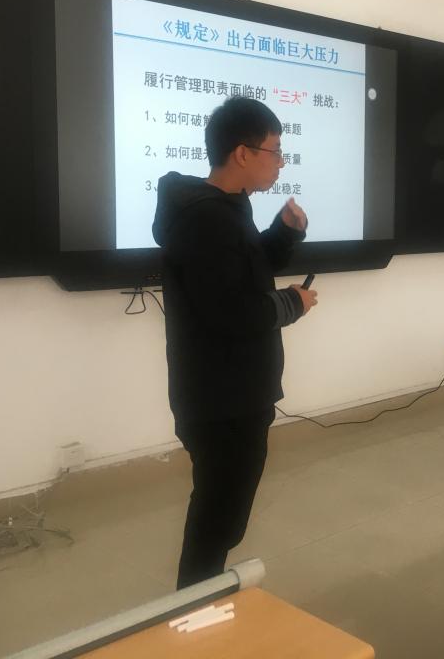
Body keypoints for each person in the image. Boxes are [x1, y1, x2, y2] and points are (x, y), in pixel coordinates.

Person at [152, 96, 318, 589]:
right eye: (275, 150)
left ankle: (201, 598)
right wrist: (293, 302)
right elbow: (232, 311)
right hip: (222, 400)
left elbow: (244, 270)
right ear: (242, 153)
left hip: (233, 393)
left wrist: (283, 235)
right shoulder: (206, 218)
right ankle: (193, 607)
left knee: (223, 514)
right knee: (216, 517)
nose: (280, 162)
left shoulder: (227, 208)